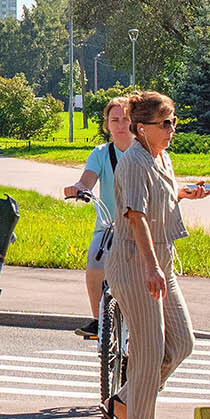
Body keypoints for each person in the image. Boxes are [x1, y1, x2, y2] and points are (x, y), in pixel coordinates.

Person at [104, 90, 210, 419]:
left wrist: (184, 193)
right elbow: (136, 217)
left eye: (174, 121)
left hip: (160, 262)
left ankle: (124, 400)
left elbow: (158, 198)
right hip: (136, 265)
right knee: (150, 351)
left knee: (182, 343)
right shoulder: (134, 162)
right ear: (142, 128)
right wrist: (152, 267)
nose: (172, 129)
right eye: (165, 123)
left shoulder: (161, 157)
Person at [63, 95, 133, 339]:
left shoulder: (144, 153)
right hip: (109, 226)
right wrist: (79, 188)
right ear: (107, 124)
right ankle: (98, 321)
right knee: (95, 260)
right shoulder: (101, 153)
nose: (121, 125)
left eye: (126, 119)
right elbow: (87, 180)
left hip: (139, 226)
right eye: (115, 120)